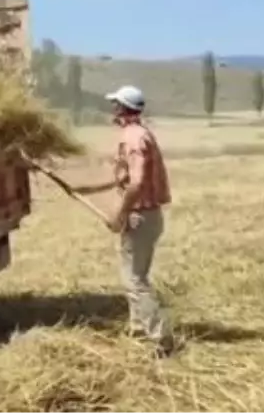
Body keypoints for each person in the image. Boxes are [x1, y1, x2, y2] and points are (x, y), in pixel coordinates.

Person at [76, 85, 174, 354]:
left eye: (115, 105)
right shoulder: (141, 133)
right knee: (134, 276)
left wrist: (121, 215)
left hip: (140, 217)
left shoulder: (132, 138)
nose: (113, 110)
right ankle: (138, 330)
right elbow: (127, 179)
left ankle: (159, 337)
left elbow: (138, 182)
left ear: (122, 108)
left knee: (135, 281)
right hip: (149, 216)